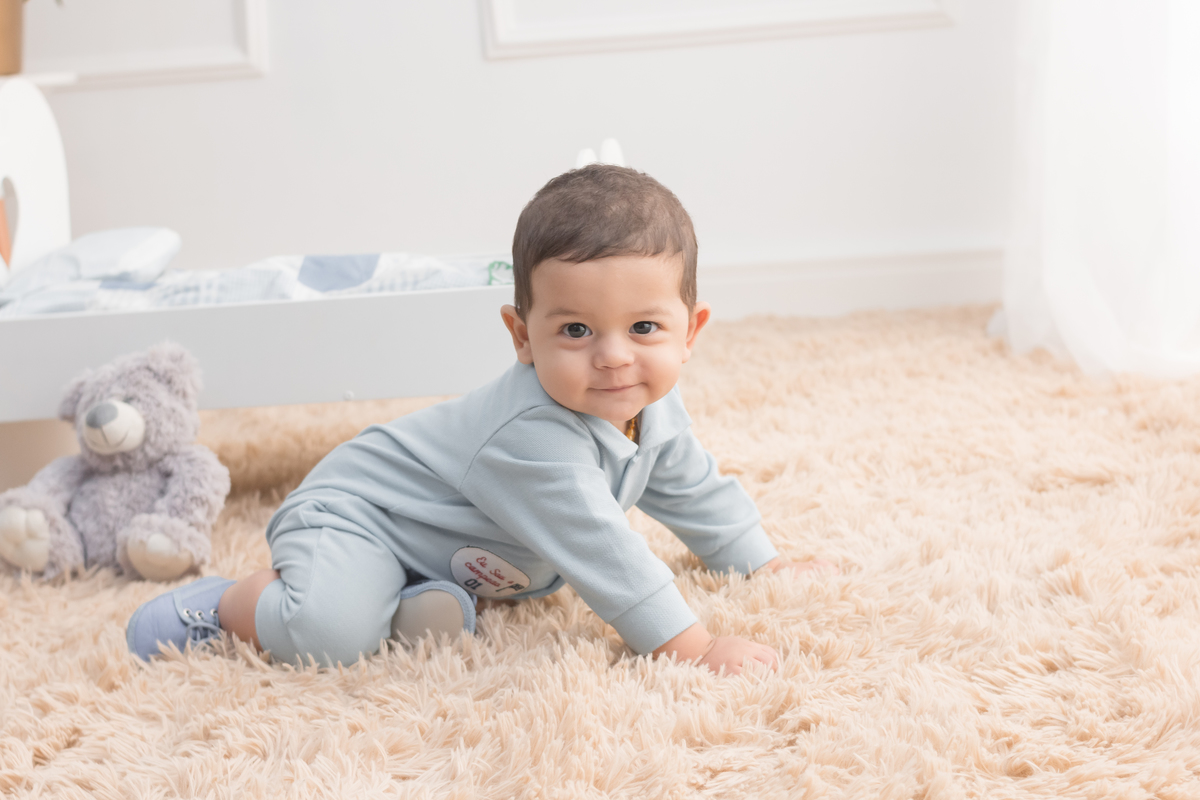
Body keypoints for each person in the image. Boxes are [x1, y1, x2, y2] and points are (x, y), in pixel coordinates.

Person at [126, 165, 834, 675]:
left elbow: (693, 487)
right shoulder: (532, 438)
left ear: (692, 330)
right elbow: (609, 558)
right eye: (577, 331)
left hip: (442, 548)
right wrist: (695, 647)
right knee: (328, 637)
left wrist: (758, 561)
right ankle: (229, 605)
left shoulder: (652, 406)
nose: (615, 358)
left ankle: (407, 601)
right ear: (522, 336)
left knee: (386, 620)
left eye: (645, 326)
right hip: (360, 515)